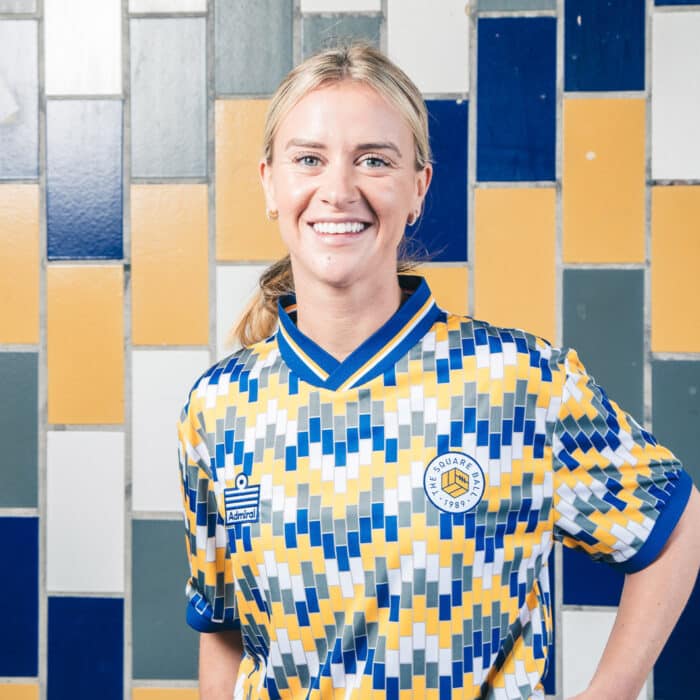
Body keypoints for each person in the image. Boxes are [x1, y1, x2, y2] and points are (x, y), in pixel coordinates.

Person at [177, 44, 700, 700]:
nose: (338, 190)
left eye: (374, 160)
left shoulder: (519, 383)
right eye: (309, 159)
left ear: (419, 187)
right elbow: (224, 628)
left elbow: (676, 523)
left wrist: (612, 691)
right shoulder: (219, 408)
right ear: (269, 183)